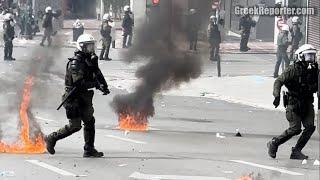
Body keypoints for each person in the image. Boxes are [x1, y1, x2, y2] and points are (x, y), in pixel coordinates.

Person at [45, 34, 110, 158]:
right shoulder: (76, 62)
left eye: (92, 46)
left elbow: (97, 73)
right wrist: (96, 84)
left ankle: (89, 149)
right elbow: (79, 83)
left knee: (90, 121)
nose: (91, 49)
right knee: (75, 126)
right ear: (81, 46)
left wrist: (104, 86)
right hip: (73, 98)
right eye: (88, 47)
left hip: (85, 97)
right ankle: (51, 138)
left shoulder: (89, 60)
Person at [268, 44, 318, 160]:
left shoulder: (315, 70)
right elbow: (278, 81)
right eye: (308, 55)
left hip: (307, 102)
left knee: (310, 127)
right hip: (294, 103)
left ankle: (296, 151)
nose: (311, 58)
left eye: (312, 55)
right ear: (301, 56)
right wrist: (276, 96)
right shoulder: (293, 69)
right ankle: (274, 143)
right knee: (295, 129)